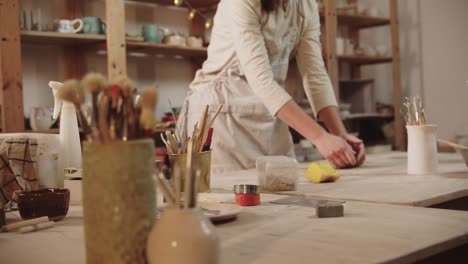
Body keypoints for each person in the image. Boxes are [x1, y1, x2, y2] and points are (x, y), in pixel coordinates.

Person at [180, 0, 366, 174]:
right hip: (220, 117)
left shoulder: (305, 5)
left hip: (268, 112)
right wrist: (320, 137)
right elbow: (261, 80)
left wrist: (340, 135)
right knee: (232, 202)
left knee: (284, 197)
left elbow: (315, 74)